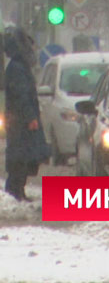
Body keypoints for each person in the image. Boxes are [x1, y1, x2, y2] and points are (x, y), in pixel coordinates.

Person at [5, 28, 50, 201]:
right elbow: (22, 95)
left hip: (19, 120)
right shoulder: (17, 68)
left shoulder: (18, 67)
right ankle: (15, 191)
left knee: (24, 156)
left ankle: (17, 191)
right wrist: (30, 117)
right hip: (21, 122)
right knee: (22, 157)